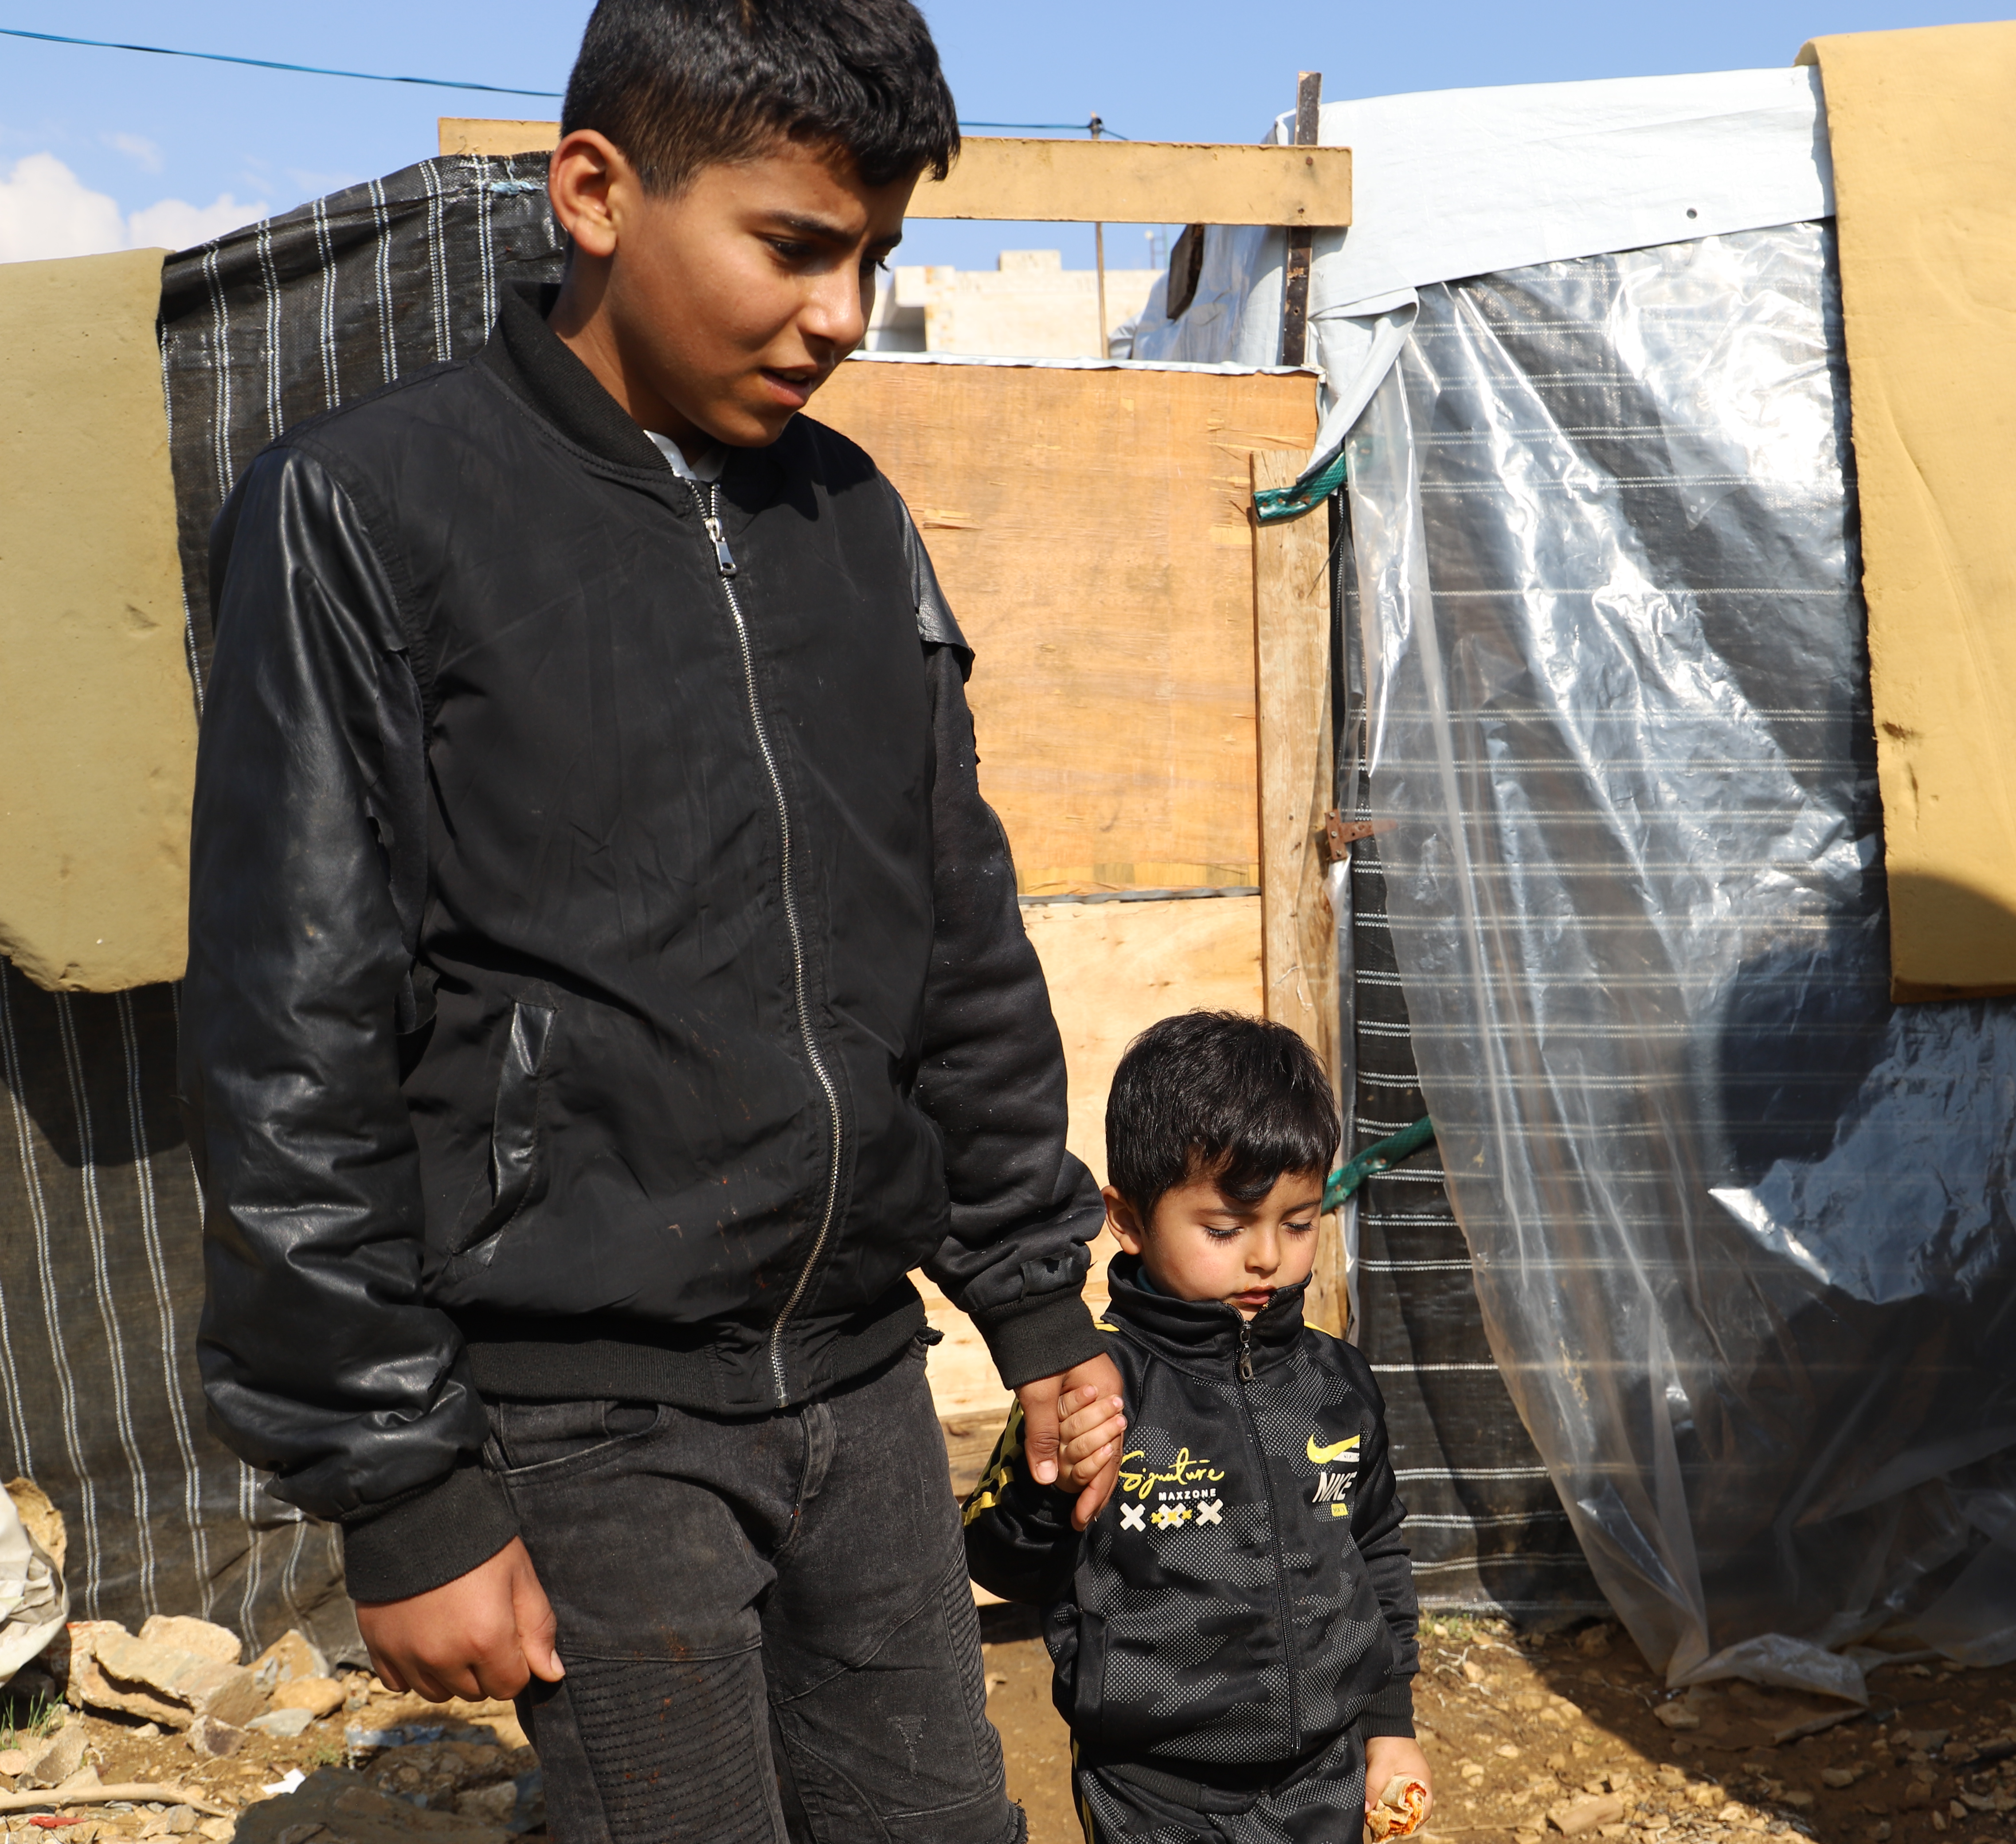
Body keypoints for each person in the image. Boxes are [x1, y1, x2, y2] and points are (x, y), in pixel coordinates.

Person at [180, 4, 1126, 1838]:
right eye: (795, 245)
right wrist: (404, 1481)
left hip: (857, 1372)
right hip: (578, 1410)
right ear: (598, 191)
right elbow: (290, 1036)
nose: (845, 312)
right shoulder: (369, 512)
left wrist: (1033, 1293)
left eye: (876, 256)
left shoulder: (855, 520)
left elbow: (959, 933)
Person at [963, 1012, 1432, 1844]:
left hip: (1326, 1773)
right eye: (1224, 1229)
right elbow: (995, 1559)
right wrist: (1059, 1486)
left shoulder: (1338, 1384)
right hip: (1154, 1794)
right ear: (1130, 1218)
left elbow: (1380, 1554)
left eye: (1299, 1222)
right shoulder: (1096, 1386)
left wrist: (1390, 1727)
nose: (1267, 1259)